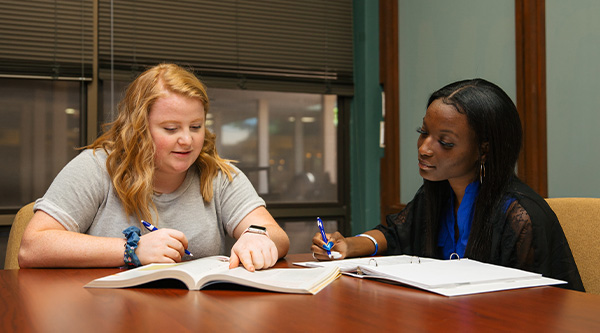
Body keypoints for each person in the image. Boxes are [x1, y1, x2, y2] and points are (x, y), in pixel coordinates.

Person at [312, 78, 584, 291]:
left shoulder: (520, 216)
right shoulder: (438, 191)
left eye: (445, 142)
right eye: (424, 133)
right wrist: (349, 244)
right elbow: (397, 233)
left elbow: (537, 303)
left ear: (484, 150)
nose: (425, 148)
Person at [19, 63, 289, 271]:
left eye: (196, 127)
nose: (188, 140)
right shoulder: (96, 167)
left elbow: (275, 234)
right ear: (138, 129)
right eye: (171, 128)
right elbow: (32, 247)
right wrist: (132, 249)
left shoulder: (216, 173)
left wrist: (257, 237)